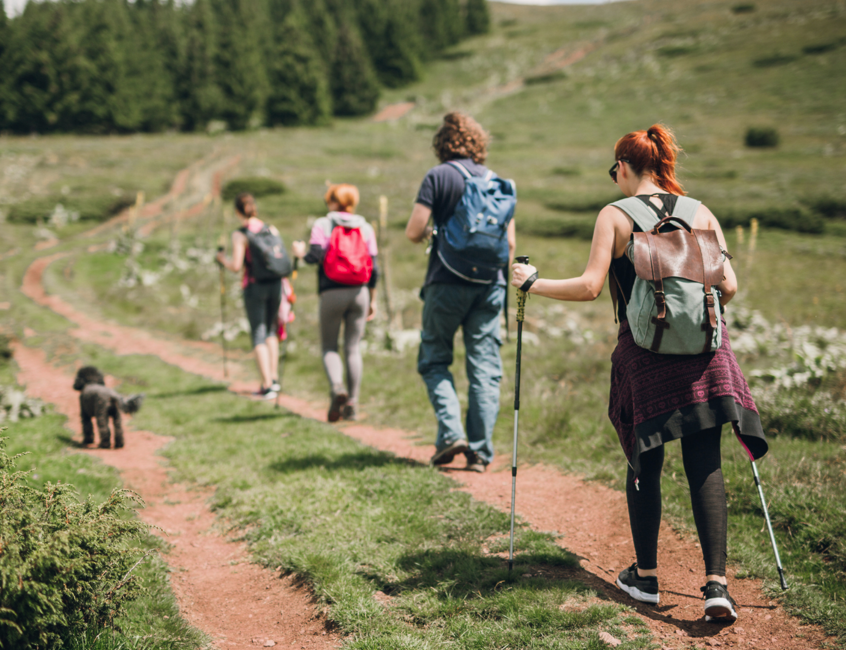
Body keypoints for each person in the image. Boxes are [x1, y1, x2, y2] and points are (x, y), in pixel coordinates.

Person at [510, 124, 767, 623]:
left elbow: (589, 287)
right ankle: (716, 586)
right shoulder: (699, 212)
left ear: (625, 167)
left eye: (615, 172)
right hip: (705, 357)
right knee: (705, 462)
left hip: (646, 357)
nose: (615, 180)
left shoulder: (615, 215)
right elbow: (730, 286)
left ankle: (645, 578)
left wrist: (534, 282)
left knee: (645, 457)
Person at [405, 111, 516, 473]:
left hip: (446, 281)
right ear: (478, 144)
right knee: (484, 367)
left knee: (435, 358)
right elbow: (510, 243)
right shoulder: (498, 182)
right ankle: (481, 452)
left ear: (442, 144)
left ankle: (451, 433)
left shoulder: (438, 176)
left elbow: (414, 229)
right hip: (490, 286)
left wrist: (432, 234)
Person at [292, 184, 379, 422]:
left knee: (330, 347)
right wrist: (373, 299)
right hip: (360, 292)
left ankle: (337, 388)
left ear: (331, 201)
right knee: (353, 348)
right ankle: (353, 402)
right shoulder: (366, 227)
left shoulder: (323, 224)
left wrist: (300, 252)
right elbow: (375, 268)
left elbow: (315, 256)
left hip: (331, 292)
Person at [216, 193, 284, 399]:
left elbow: (236, 266)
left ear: (238, 211)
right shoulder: (271, 229)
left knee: (258, 333)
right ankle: (274, 379)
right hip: (276, 285)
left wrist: (221, 259)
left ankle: (266, 385)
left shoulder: (241, 234)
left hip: (255, 286)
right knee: (271, 330)